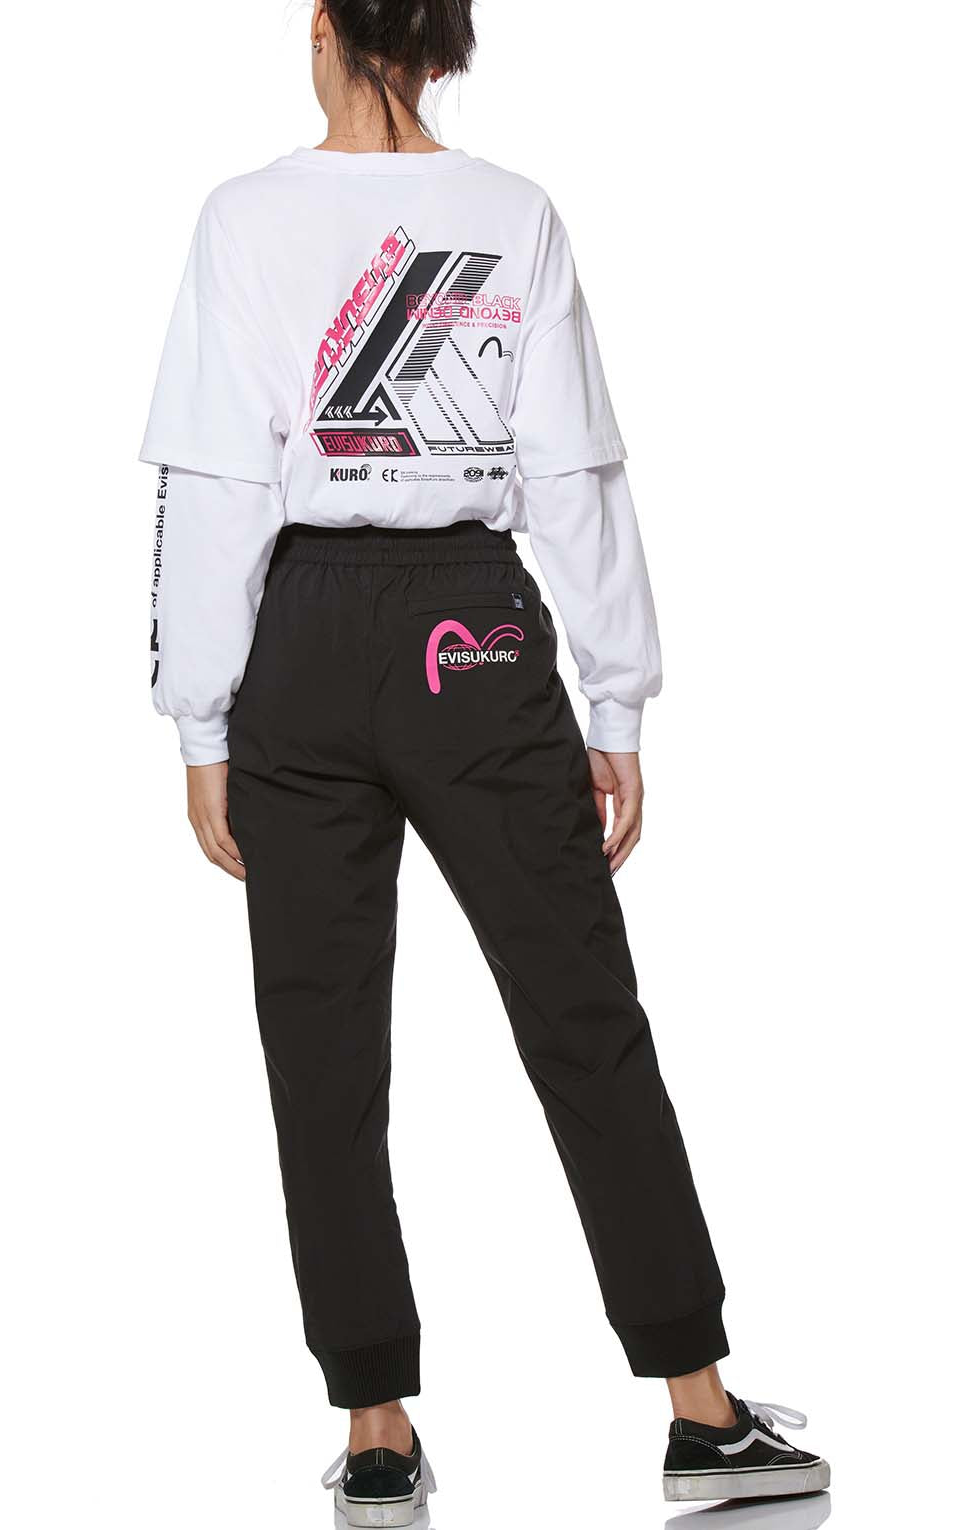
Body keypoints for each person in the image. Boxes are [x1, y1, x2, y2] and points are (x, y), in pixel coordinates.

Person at [141, 1, 829, 1519]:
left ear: (323, 27)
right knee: (582, 1013)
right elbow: (575, 464)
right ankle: (701, 1410)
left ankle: (376, 1431)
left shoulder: (243, 217)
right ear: (444, 47)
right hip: (472, 630)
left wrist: (200, 717)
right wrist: (616, 701)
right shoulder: (513, 213)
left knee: (321, 1045)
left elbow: (217, 473)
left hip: (296, 635)